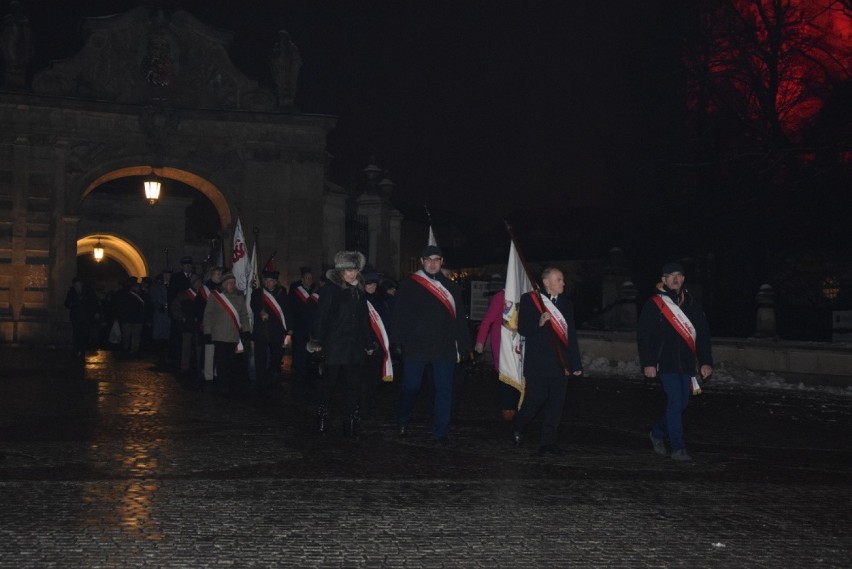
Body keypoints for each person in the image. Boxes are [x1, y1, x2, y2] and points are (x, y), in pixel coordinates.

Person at [391, 245, 471, 444]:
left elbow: (459, 318)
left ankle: (441, 431)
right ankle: (403, 418)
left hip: (444, 347)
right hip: (416, 346)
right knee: (411, 386)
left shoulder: (451, 287)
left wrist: (464, 344)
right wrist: (398, 342)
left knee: (444, 389)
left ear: (442, 262)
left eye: (437, 259)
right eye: (429, 259)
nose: (433, 263)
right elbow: (399, 315)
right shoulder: (409, 284)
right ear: (422, 261)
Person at [638, 262, 713, 462]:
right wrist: (649, 362)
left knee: (681, 405)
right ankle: (678, 448)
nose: (675, 279)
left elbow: (703, 336)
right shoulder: (655, 303)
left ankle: (657, 432)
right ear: (663, 280)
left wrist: (705, 362)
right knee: (675, 401)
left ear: (683, 279)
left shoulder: (692, 303)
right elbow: (645, 336)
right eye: (670, 275)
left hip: (687, 364)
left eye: (678, 275)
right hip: (666, 362)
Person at [512, 267, 583, 456]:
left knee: (556, 405)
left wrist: (575, 364)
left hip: (561, 363)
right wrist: (539, 322)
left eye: (562, 279)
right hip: (538, 363)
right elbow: (523, 328)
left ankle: (548, 442)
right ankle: (518, 424)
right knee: (536, 399)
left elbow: (571, 336)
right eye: (559, 279)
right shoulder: (531, 300)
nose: (563, 283)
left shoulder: (566, 304)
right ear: (546, 282)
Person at [309, 252, 376, 436]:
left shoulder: (359, 291)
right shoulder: (330, 289)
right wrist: (318, 341)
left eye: (354, 270)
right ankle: (322, 416)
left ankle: (351, 419)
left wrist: (368, 342)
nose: (352, 274)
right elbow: (321, 317)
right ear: (340, 271)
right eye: (348, 270)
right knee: (329, 383)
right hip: (335, 344)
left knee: (353, 384)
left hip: (354, 346)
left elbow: (364, 319)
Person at [474, 288, 521, 420]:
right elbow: (487, 320)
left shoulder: (525, 295)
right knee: (506, 376)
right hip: (502, 345)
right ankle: (508, 409)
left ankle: (516, 407)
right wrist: (480, 341)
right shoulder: (500, 297)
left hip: (519, 345)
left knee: (518, 376)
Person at [203, 271, 250, 395]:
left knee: (231, 361)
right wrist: (207, 331)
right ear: (223, 284)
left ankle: (229, 383)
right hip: (219, 335)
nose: (231, 285)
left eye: (233, 283)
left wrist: (246, 331)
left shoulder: (240, 297)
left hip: (233, 335)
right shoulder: (215, 296)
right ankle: (222, 385)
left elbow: (244, 316)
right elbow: (208, 314)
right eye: (229, 283)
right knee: (221, 361)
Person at [250, 270, 293, 391]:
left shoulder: (281, 293)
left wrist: (289, 328)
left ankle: (268, 376)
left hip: (276, 330)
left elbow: (286, 311)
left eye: (271, 281)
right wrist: (260, 311)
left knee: (277, 355)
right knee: (260, 358)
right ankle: (261, 381)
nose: (268, 283)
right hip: (261, 330)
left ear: (275, 282)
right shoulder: (258, 293)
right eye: (266, 281)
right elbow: (254, 304)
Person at [171, 275, 203, 376]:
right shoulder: (184, 294)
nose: (199, 284)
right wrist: (182, 317)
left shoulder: (203, 294)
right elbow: (174, 308)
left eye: (199, 282)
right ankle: (185, 367)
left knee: (199, 346)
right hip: (187, 325)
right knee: (186, 347)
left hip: (199, 325)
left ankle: (200, 367)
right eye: (196, 282)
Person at [288, 266, 316, 382]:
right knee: (300, 350)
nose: (309, 280)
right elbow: (291, 309)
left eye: (310, 278)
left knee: (311, 349)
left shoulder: (314, 290)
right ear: (302, 279)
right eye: (307, 278)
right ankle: (300, 372)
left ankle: (309, 371)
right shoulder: (296, 291)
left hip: (311, 326)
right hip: (299, 325)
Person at [64, 276, 99, 357]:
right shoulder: (71, 291)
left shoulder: (88, 291)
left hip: (86, 315)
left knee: (84, 332)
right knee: (76, 332)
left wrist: (96, 312)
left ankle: (83, 349)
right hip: (76, 316)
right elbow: (67, 303)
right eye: (76, 286)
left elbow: (94, 302)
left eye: (79, 285)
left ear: (81, 284)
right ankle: (77, 349)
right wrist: (72, 304)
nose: (77, 287)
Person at [113, 276, 146, 356]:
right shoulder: (139, 294)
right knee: (133, 336)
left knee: (129, 336)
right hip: (134, 318)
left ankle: (128, 350)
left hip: (129, 318)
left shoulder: (123, 293)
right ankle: (132, 350)